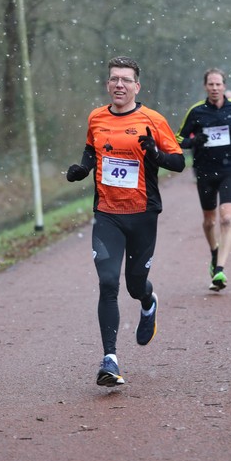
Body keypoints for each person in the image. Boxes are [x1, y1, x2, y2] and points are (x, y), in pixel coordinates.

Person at [66, 56, 185, 387]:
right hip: (107, 213)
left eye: (126, 80)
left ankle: (148, 301)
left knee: (134, 285)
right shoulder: (96, 117)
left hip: (143, 214)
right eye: (114, 79)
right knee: (108, 283)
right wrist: (83, 169)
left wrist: (155, 155)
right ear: (108, 84)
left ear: (137, 86)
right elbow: (92, 149)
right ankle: (110, 359)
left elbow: (179, 162)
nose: (119, 84)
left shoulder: (153, 120)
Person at [176, 68, 231, 292]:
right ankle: (214, 252)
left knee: (227, 218)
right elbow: (177, 139)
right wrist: (194, 141)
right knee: (209, 222)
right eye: (211, 84)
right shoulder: (196, 111)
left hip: (230, 169)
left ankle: (219, 269)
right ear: (205, 86)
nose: (215, 88)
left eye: (218, 84)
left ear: (224, 86)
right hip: (205, 171)